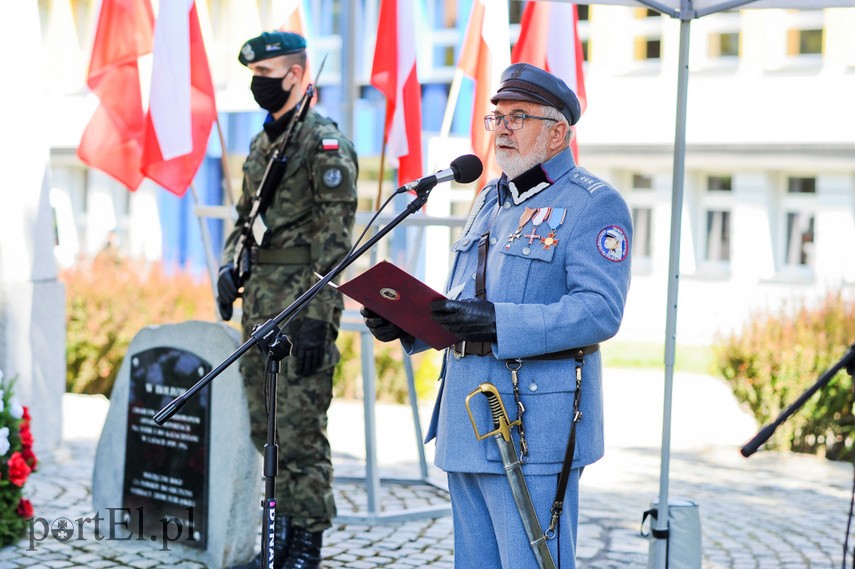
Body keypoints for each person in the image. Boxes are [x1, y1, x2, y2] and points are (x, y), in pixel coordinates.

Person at [361, 63, 632, 568]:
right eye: (497, 116)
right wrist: (410, 324)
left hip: (534, 426)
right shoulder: (490, 198)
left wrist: (499, 323)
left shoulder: (593, 204)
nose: (503, 127)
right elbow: (466, 298)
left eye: (519, 116)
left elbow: (600, 312)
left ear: (557, 132)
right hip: (468, 416)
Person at [218, 31, 358, 569]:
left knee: (299, 433)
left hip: (301, 307)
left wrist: (321, 319)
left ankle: (305, 547)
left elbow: (336, 242)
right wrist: (231, 267)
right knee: (266, 428)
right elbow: (244, 220)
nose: (259, 86)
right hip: (260, 305)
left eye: (268, 77)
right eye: (254, 77)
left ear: (298, 76)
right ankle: (277, 542)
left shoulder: (323, 143)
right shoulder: (263, 144)